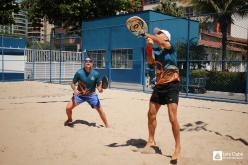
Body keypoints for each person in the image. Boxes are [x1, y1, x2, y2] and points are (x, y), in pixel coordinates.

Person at [142, 28, 181, 163]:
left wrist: (146, 34)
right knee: (151, 113)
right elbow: (150, 60)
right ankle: (151, 141)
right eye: (156, 33)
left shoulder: (171, 48)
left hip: (172, 84)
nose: (157, 35)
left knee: (172, 117)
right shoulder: (158, 51)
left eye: (159, 33)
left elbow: (161, 42)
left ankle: (177, 147)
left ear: (166, 37)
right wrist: (149, 46)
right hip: (159, 85)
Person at [64, 56, 109, 128]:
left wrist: (100, 90)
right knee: (68, 108)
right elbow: (72, 83)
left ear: (92, 63)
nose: (88, 62)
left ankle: (107, 125)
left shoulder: (96, 74)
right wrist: (75, 90)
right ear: (84, 63)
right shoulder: (79, 73)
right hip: (80, 95)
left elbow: (98, 86)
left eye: (90, 61)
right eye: (86, 61)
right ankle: (69, 119)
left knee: (100, 110)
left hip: (91, 95)